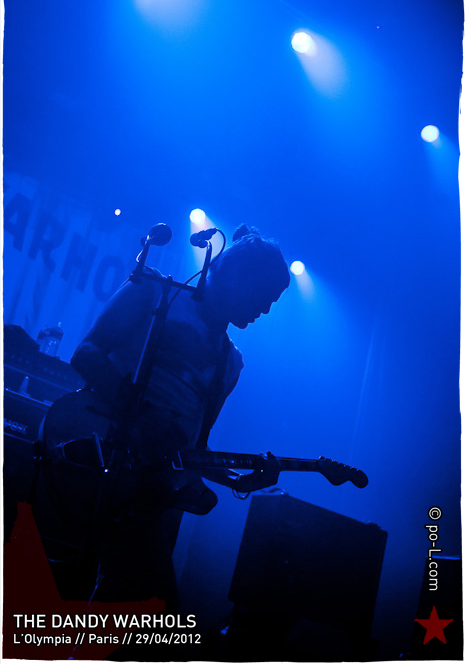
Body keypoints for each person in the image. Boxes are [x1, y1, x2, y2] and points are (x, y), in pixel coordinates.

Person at [37, 224, 290, 609]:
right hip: (91, 451)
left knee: (137, 609)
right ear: (237, 272)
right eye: (264, 294)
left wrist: (239, 478)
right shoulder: (155, 293)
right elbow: (86, 354)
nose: (266, 310)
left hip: (147, 496)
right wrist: (141, 417)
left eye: (272, 301)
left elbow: (190, 450)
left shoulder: (231, 364)